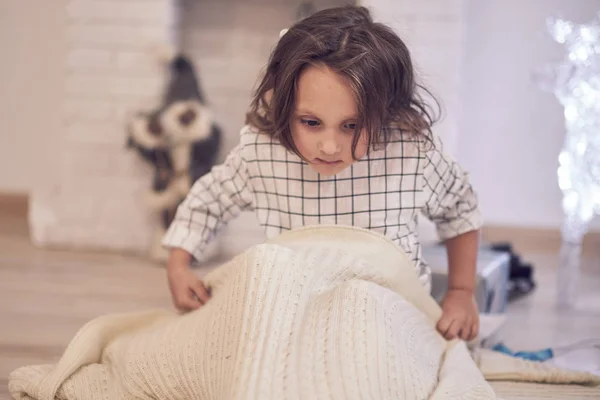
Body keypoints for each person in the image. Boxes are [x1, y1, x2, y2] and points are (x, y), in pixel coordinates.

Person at [162, 5, 482, 342]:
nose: (330, 146)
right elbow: (208, 200)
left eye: (352, 125)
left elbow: (459, 207)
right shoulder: (262, 153)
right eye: (311, 122)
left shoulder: (410, 153)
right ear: (284, 106)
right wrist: (178, 266)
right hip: (299, 319)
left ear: (384, 112)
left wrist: (461, 291)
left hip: (392, 321)